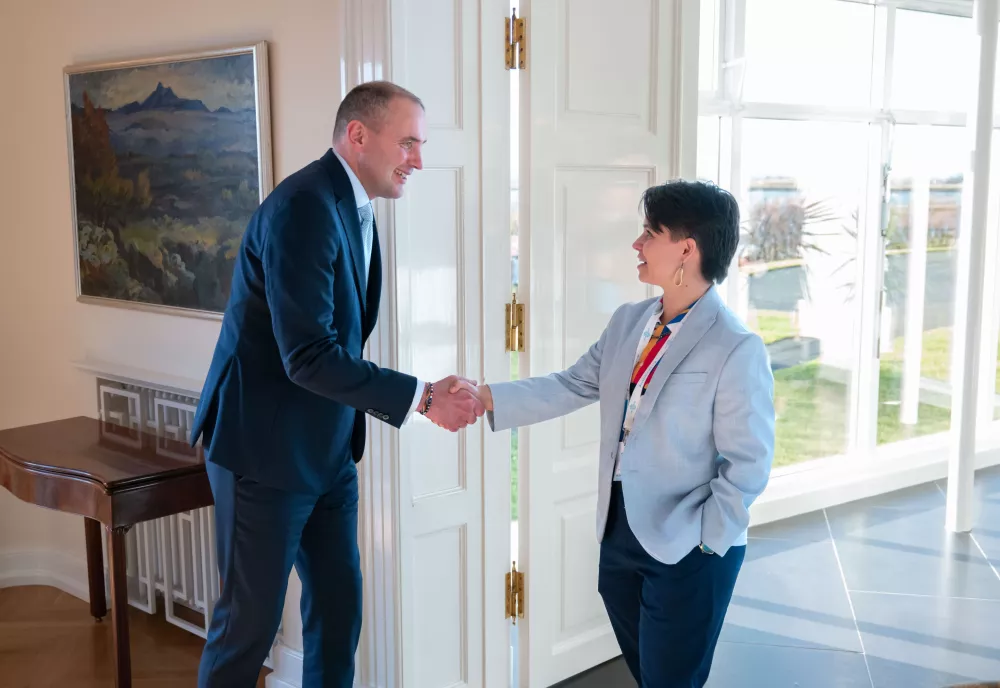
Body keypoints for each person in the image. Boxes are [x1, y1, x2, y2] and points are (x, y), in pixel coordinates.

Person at [189, 81, 483, 687]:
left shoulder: (352, 206)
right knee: (247, 630)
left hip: (327, 454)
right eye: (407, 142)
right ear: (358, 136)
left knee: (339, 613)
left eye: (420, 145)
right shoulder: (304, 207)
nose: (419, 160)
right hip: (263, 453)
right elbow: (309, 355)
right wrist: (424, 397)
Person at [466, 180, 775, 686]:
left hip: (691, 545)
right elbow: (573, 383)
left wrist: (706, 541)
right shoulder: (629, 322)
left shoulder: (736, 347)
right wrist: (486, 397)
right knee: (650, 674)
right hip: (620, 533)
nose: (637, 244)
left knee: (672, 679)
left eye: (650, 232)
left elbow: (749, 462)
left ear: (686, 249)